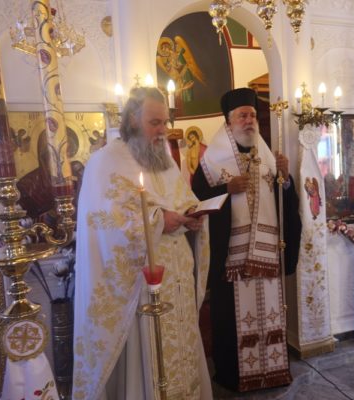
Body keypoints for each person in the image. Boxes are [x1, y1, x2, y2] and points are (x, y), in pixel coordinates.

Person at [72, 86, 212, 400]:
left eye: (165, 122)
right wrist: (160, 220)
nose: (163, 130)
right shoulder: (106, 162)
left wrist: (191, 215)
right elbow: (107, 224)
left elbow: (182, 198)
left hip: (176, 278)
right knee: (151, 357)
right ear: (133, 120)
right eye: (154, 123)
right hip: (141, 284)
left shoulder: (164, 159)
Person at [192, 88, 301, 392]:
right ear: (229, 121)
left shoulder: (267, 157)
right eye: (243, 115)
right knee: (231, 320)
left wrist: (285, 179)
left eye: (252, 115)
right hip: (231, 259)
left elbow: (285, 202)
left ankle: (272, 371)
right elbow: (196, 200)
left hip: (267, 255)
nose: (249, 120)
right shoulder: (211, 162)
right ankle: (234, 376)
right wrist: (225, 188)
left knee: (269, 314)